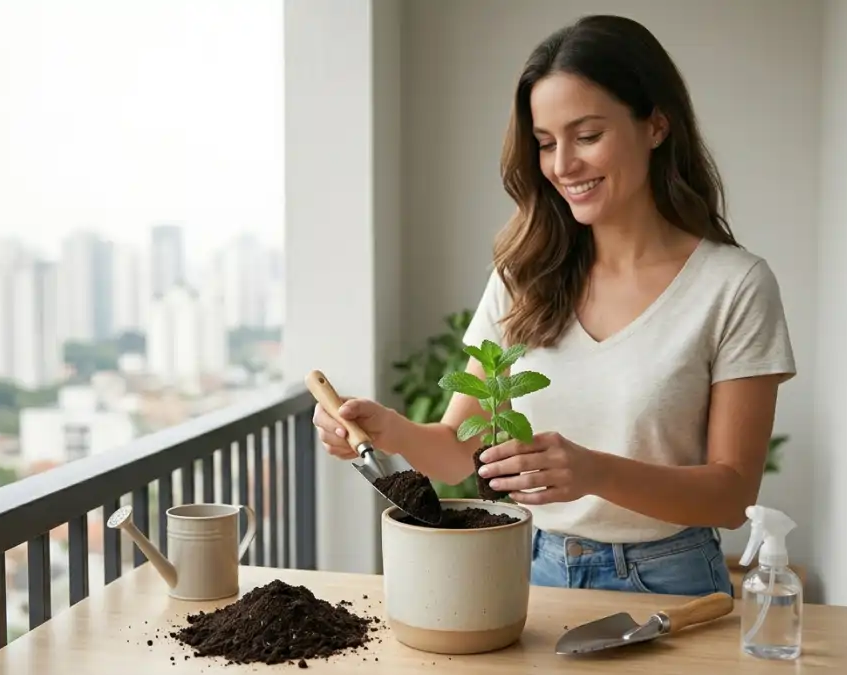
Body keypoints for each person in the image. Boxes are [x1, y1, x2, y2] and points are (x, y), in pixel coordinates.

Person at [312, 14, 795, 597]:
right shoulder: (524, 276)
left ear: (656, 125)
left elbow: (731, 495)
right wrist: (388, 430)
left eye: (587, 136)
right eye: (545, 143)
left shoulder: (735, 286)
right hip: (538, 573)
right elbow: (454, 454)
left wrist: (594, 472)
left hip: (674, 580)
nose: (563, 165)